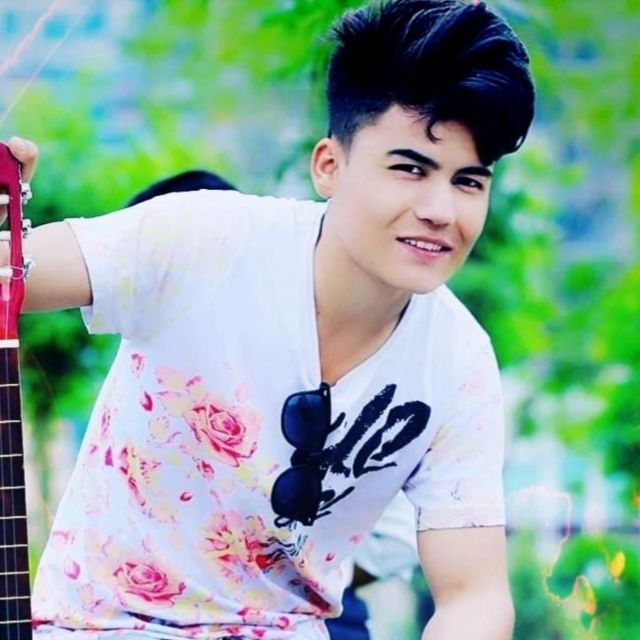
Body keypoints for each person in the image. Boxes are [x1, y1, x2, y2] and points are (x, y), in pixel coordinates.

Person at [4, 0, 535, 638]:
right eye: (410, 169)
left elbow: (473, 596)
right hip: (98, 626)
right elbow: (15, 272)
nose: (440, 211)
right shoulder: (205, 239)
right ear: (329, 165)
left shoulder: (459, 360)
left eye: (469, 181)